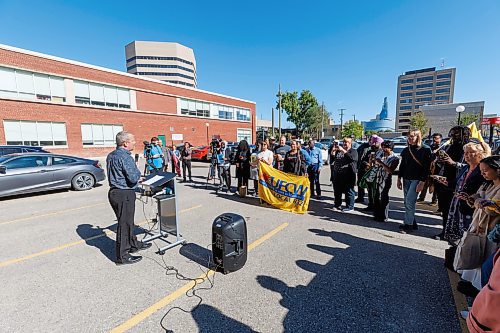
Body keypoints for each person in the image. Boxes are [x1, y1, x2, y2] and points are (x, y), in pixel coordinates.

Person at [106, 131, 152, 265]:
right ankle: (123, 256)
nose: (135, 142)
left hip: (114, 193)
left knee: (128, 222)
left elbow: (121, 174)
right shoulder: (126, 157)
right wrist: (138, 174)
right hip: (124, 194)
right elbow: (133, 177)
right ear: (125, 143)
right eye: (132, 140)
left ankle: (134, 244)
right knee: (124, 225)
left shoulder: (111, 155)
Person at [459, 155, 500, 292]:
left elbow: (491, 210)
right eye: (481, 171)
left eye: (485, 171)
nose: (482, 174)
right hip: (479, 225)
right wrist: (470, 199)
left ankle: (480, 292)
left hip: (491, 230)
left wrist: (479, 201)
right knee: (477, 257)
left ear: (498, 170)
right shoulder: (487, 184)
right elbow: (477, 198)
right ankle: (473, 286)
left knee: (486, 259)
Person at [443, 141, 490, 243]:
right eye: (465, 152)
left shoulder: (483, 171)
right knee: (456, 240)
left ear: (480, 154)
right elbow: (457, 183)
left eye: (470, 152)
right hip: (458, 206)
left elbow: (484, 191)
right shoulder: (466, 167)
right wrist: (446, 182)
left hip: (472, 208)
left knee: (467, 239)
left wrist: (471, 198)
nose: (466, 155)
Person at [434, 126, 471, 240]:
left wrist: (453, 163)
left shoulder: (467, 148)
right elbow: (446, 162)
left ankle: (454, 233)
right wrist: (440, 161)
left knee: (456, 210)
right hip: (446, 180)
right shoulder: (450, 145)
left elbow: (469, 166)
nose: (453, 136)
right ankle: (445, 231)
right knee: (445, 209)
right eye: (452, 133)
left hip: (458, 182)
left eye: (457, 134)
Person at [397, 129, 432, 234]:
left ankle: (409, 225)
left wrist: (422, 182)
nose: (410, 138)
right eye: (409, 136)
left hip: (417, 179)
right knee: (407, 202)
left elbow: (427, 168)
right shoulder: (407, 149)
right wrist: (399, 178)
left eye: (412, 136)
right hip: (406, 178)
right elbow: (402, 165)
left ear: (418, 137)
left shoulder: (425, 149)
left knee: (409, 201)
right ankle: (412, 222)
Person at [372, 141, 400, 222]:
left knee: (384, 197)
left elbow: (391, 171)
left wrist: (381, 163)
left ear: (390, 148)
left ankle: (384, 216)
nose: (383, 149)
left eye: (385, 147)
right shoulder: (382, 155)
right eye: (382, 147)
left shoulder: (395, 158)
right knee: (376, 197)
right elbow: (375, 165)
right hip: (378, 177)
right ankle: (377, 214)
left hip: (386, 179)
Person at [359, 135, 384, 211]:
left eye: (374, 143)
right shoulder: (371, 151)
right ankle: (371, 205)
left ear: (379, 143)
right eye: (372, 142)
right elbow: (364, 159)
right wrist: (368, 162)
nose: (372, 144)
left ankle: (377, 207)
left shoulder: (383, 152)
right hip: (371, 173)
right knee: (370, 190)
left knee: (377, 192)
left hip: (379, 175)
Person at [417, 133, 442, 205]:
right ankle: (422, 198)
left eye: (437, 138)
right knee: (425, 183)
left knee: (436, 185)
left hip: (438, 169)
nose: (435, 140)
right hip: (429, 168)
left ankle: (434, 200)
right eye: (434, 138)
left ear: (440, 139)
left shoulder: (443, 147)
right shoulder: (430, 147)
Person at [334, 137, 358, 212]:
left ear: (350, 143)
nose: (345, 143)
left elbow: (352, 158)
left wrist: (343, 150)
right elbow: (334, 159)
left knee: (349, 191)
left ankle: (350, 207)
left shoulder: (353, 151)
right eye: (344, 142)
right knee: (337, 191)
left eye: (347, 142)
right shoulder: (339, 151)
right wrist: (333, 151)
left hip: (349, 174)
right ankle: (337, 204)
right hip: (338, 174)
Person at [355, 135, 374, 203]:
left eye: (372, 140)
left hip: (369, 169)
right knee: (360, 183)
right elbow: (357, 153)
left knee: (369, 185)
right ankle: (360, 197)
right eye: (370, 139)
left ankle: (371, 201)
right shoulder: (363, 145)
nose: (371, 141)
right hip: (361, 167)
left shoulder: (374, 148)